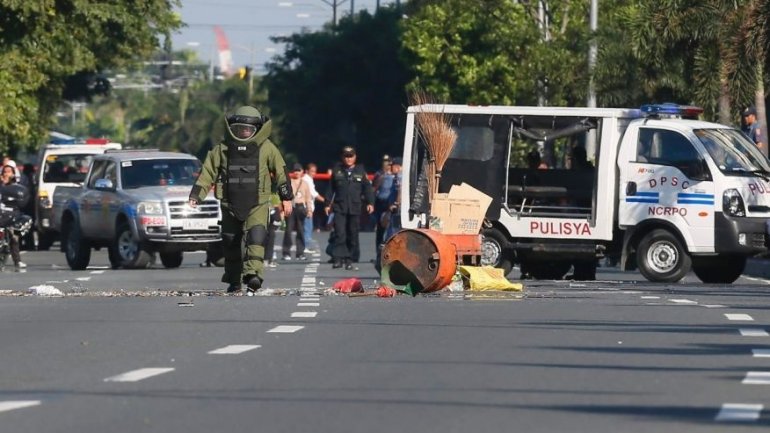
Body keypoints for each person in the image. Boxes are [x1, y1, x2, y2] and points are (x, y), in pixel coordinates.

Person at [188, 105, 294, 293]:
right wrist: (196, 195)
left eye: (248, 129)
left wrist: (286, 198)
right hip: (229, 203)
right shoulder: (222, 149)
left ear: (257, 129)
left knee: (256, 237)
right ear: (232, 128)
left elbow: (281, 173)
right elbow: (207, 173)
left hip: (257, 203)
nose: (244, 132)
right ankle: (234, 279)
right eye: (240, 128)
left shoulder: (267, 148)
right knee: (231, 241)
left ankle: (253, 275)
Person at [325, 146, 374, 270]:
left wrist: (370, 203)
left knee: (352, 234)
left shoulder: (360, 171)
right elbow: (330, 189)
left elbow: (367, 188)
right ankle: (337, 259)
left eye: (351, 156)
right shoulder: (337, 170)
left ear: (355, 157)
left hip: (354, 207)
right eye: (346, 156)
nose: (348, 159)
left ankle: (349, 259)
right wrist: (327, 204)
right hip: (339, 207)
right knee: (340, 233)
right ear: (342, 157)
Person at [282, 163, 312, 261]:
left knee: (301, 230)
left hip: (300, 207)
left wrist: (309, 210)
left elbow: (308, 198)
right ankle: (286, 252)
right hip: (291, 207)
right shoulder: (289, 182)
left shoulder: (305, 183)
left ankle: (300, 253)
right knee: (288, 230)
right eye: (295, 170)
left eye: (299, 170)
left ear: (302, 172)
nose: (297, 172)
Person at [1, 164, 27, 270]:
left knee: (14, 237)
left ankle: (17, 260)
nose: (7, 174)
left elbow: (21, 200)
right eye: (5, 172)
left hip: (13, 214)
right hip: (1, 213)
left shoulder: (17, 187)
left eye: (9, 172)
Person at [373, 154, 394, 254]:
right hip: (381, 203)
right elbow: (374, 188)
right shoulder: (379, 174)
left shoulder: (395, 174)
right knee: (380, 228)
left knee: (392, 227)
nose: (387, 165)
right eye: (385, 162)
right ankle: (378, 252)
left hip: (390, 203)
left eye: (389, 163)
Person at [302, 163, 323, 251]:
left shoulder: (308, 179)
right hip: (307, 207)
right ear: (307, 171)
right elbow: (313, 193)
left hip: (308, 206)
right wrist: (326, 201)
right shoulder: (306, 180)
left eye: (315, 171)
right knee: (307, 227)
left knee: (308, 226)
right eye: (312, 171)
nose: (314, 173)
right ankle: (305, 246)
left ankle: (305, 245)